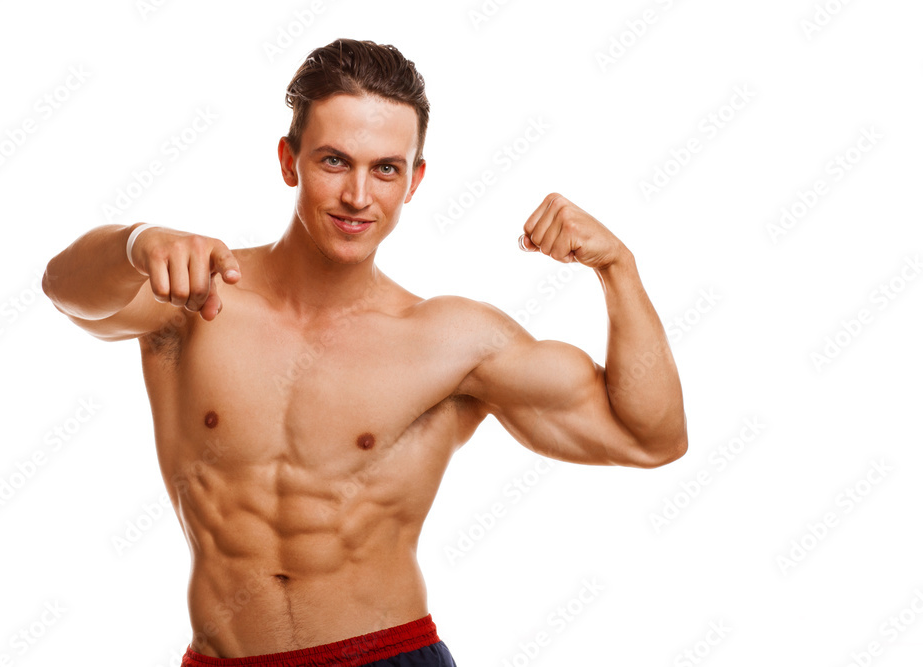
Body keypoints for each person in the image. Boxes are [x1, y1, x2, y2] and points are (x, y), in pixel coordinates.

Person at [42, 37, 687, 667]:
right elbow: (64, 291)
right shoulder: (195, 299)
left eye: (386, 168)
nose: (358, 196)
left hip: (386, 656)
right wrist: (137, 241)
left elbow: (649, 437)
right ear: (288, 161)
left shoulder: (451, 340)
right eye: (333, 161)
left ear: (414, 180)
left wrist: (618, 269)